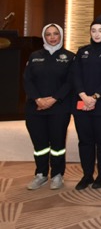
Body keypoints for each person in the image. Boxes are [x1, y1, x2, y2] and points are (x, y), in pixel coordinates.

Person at [24, 23, 75, 190]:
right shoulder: (34, 56)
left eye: (55, 34)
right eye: (48, 34)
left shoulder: (70, 57)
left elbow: (70, 82)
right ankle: (41, 173)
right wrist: (38, 99)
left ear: (61, 35)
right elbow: (27, 80)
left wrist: (53, 99)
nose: (52, 37)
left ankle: (57, 174)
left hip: (59, 108)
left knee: (57, 144)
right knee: (40, 144)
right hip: (35, 108)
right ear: (44, 37)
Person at [72, 20, 101, 190]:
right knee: (85, 141)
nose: (97, 34)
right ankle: (87, 175)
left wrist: (95, 96)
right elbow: (76, 75)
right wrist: (84, 95)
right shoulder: (82, 51)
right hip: (82, 103)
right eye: (94, 30)